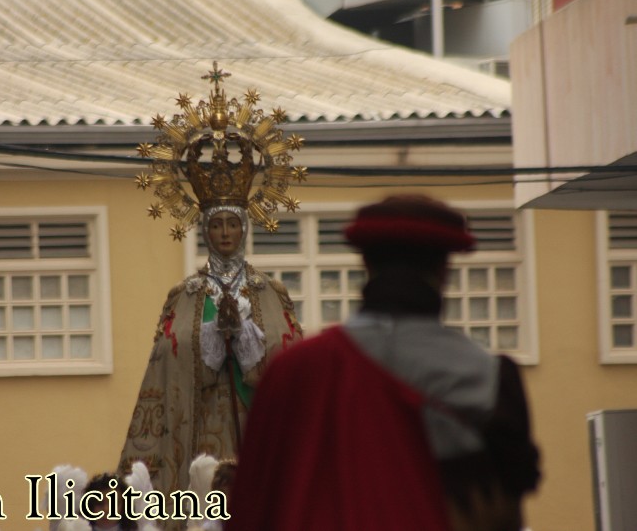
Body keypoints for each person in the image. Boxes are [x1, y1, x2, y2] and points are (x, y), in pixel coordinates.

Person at [227, 195, 540, 531]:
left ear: (365, 263)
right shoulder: (489, 379)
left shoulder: (294, 371)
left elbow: (252, 506)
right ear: (444, 268)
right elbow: (504, 511)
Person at [119, 62, 303, 508]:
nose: (224, 233)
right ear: (204, 228)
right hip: (198, 430)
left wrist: (244, 340)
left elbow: (289, 364)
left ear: (245, 228)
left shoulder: (269, 293)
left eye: (232, 224)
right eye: (216, 224)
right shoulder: (183, 296)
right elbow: (167, 365)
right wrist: (210, 343)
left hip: (255, 428)